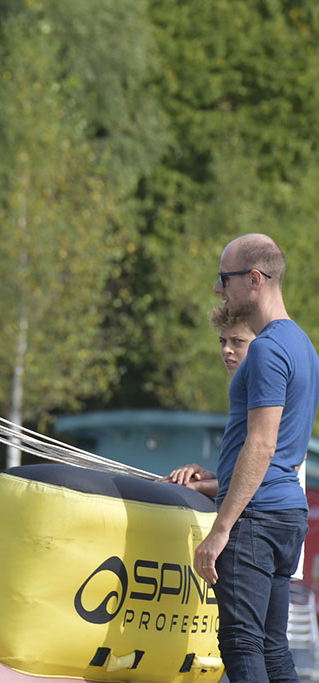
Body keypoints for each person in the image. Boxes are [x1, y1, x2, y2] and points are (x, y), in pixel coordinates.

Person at [193, 233, 317, 682]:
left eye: (224, 278)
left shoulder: (265, 349)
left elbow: (262, 445)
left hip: (256, 519)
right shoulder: (304, 345)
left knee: (241, 644)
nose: (217, 289)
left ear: (254, 279)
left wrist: (220, 530)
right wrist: (216, 478)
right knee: (272, 646)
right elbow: (285, 448)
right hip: (286, 516)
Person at [162, 307, 257, 496]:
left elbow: (260, 482)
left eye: (238, 341)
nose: (227, 350)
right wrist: (207, 478)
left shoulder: (264, 396)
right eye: (223, 341)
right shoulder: (244, 392)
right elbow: (239, 480)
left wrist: (196, 487)